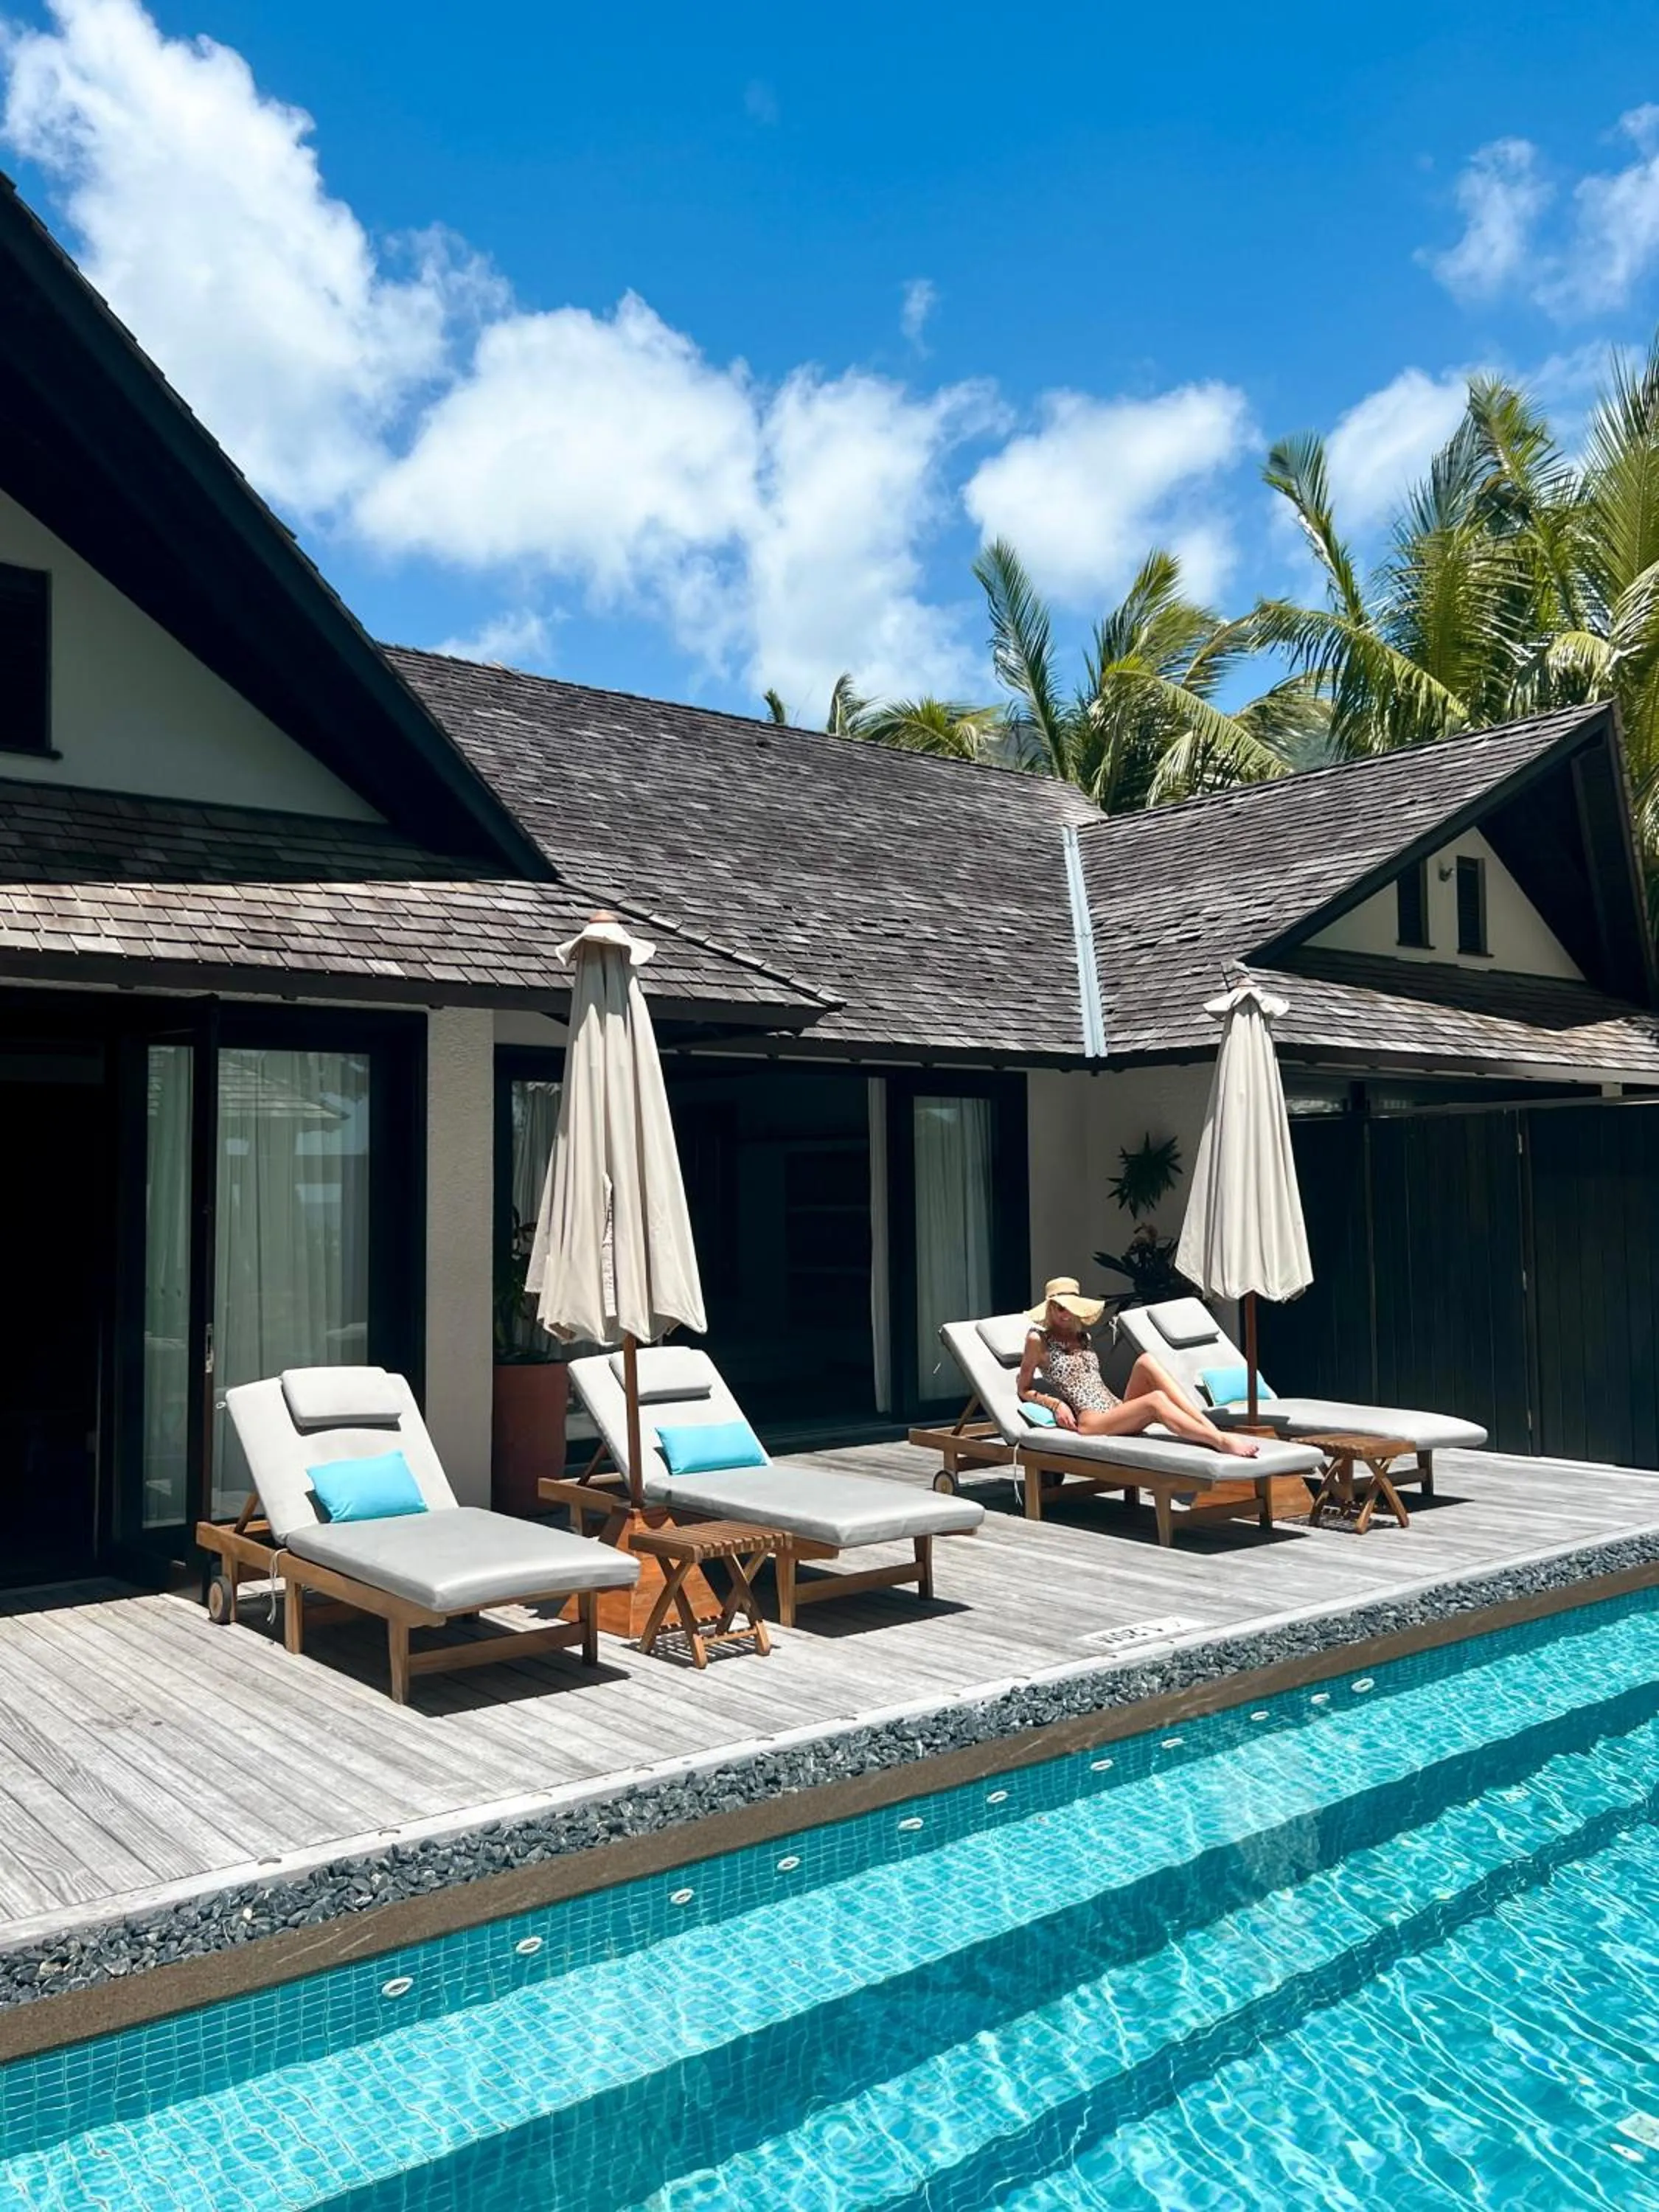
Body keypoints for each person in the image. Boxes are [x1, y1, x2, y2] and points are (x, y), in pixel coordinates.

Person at [1017, 1276, 1262, 1461]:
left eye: (1072, 1308)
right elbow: (1023, 1389)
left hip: (1115, 1408)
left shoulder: (1083, 1338)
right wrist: (1056, 1404)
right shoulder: (1038, 1340)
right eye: (1060, 1308)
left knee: (1146, 1361)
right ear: (1050, 1308)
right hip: (1092, 1421)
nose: (1066, 1314)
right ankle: (1218, 1440)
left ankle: (1210, 1428)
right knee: (1156, 1400)